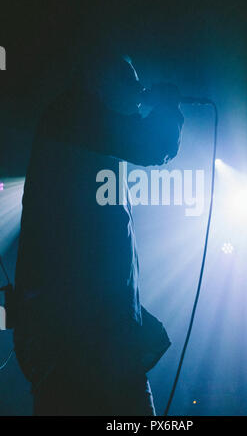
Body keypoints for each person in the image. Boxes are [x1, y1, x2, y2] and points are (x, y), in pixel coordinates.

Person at [13, 51, 184, 415]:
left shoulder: (85, 129)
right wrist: (167, 103)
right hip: (80, 338)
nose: (137, 92)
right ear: (100, 82)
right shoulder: (74, 116)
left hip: (94, 334)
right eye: (130, 82)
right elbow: (154, 146)